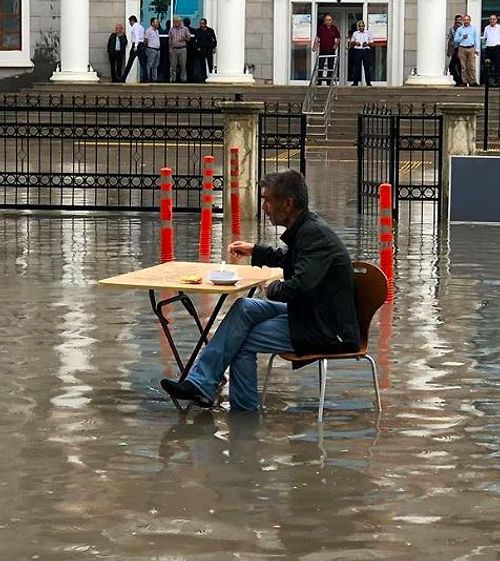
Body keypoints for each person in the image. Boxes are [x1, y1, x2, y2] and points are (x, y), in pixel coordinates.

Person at [160, 170, 361, 412]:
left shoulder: (313, 234)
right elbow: (287, 259)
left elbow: (299, 287)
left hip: (326, 329)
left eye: (267, 200)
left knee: (241, 339)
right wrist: (253, 250)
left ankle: (243, 417)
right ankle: (201, 383)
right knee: (244, 307)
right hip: (310, 314)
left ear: (287, 204)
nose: (263, 206)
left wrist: (272, 289)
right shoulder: (307, 228)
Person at [313, 13, 340, 86]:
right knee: (321, 65)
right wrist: (314, 46)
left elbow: (338, 37)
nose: (328, 21)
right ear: (324, 20)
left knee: (330, 66)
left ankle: (329, 81)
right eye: (327, 20)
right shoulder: (321, 28)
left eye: (330, 20)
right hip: (323, 49)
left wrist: (336, 45)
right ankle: (319, 81)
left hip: (331, 50)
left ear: (332, 21)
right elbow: (317, 38)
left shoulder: (334, 28)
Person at [454, 14, 480, 86]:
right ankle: (464, 81)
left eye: (467, 20)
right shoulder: (460, 29)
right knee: (463, 66)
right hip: (462, 48)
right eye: (465, 20)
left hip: (471, 48)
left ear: (470, 20)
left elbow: (476, 39)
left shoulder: (473, 28)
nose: (466, 21)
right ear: (463, 20)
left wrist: (477, 49)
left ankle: (473, 81)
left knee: (471, 66)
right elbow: (455, 40)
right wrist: (462, 37)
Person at [120, 15, 147, 83]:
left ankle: (123, 78)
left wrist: (135, 46)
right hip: (141, 45)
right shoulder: (141, 27)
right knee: (143, 63)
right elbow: (142, 37)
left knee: (130, 62)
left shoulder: (135, 27)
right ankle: (145, 78)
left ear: (132, 21)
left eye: (130, 21)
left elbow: (137, 36)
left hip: (136, 45)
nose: (129, 23)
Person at [350, 20, 373, 86]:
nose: (361, 28)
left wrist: (367, 44)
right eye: (360, 26)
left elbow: (372, 43)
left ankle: (368, 82)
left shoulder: (368, 33)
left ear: (364, 26)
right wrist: (356, 43)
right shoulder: (355, 33)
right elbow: (351, 43)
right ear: (358, 27)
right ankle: (355, 82)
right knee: (357, 67)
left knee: (367, 67)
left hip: (366, 51)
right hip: (357, 51)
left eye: (362, 26)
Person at [169, 15, 191, 83]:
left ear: (179, 22)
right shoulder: (172, 29)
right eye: (174, 21)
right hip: (174, 49)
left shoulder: (185, 29)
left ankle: (183, 79)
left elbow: (189, 38)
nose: (175, 23)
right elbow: (170, 39)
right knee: (173, 65)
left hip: (182, 49)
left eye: (176, 21)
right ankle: (173, 79)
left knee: (183, 64)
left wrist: (184, 38)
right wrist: (170, 48)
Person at [194, 18, 217, 82]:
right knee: (202, 64)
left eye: (202, 23)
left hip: (209, 49)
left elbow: (214, 39)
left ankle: (211, 75)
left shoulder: (210, 30)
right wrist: (197, 48)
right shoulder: (198, 31)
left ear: (205, 24)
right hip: (201, 50)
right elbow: (195, 41)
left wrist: (214, 47)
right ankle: (203, 77)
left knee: (210, 63)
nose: (201, 25)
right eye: (200, 23)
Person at [447, 14, 463, 86]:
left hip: (461, 48)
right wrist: (449, 50)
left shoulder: (463, 29)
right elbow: (450, 39)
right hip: (454, 49)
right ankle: (457, 80)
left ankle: (460, 80)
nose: (458, 21)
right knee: (453, 66)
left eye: (460, 20)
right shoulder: (452, 29)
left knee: (458, 65)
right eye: (457, 20)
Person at [484, 13, 500, 82]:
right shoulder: (486, 28)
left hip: (497, 49)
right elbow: (485, 38)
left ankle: (497, 81)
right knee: (488, 65)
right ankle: (488, 82)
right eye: (490, 19)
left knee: (497, 65)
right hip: (489, 49)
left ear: (496, 20)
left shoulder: (499, 27)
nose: (492, 20)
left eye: (493, 19)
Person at [145, 17, 161, 82]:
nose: (157, 23)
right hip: (151, 49)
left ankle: (154, 78)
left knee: (155, 65)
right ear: (152, 23)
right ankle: (148, 78)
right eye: (156, 22)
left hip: (157, 50)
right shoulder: (148, 30)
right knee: (149, 64)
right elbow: (146, 40)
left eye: (158, 22)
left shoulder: (157, 31)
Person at [183, 17, 196, 82]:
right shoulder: (193, 30)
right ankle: (190, 78)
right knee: (189, 65)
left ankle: (186, 78)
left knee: (185, 64)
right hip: (189, 49)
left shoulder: (183, 30)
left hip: (188, 49)